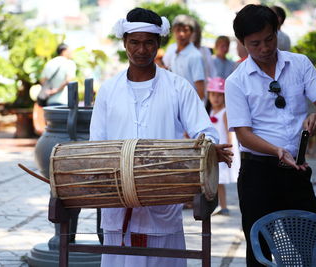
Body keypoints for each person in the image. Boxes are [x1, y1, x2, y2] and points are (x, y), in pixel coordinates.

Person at [89, 7, 232, 267]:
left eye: (148, 43)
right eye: (135, 42)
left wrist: (209, 149)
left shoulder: (178, 87)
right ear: (125, 43)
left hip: (163, 199)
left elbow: (205, 131)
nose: (141, 49)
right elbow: (96, 144)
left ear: (158, 44)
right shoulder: (108, 90)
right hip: (117, 204)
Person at [225, 4, 316, 266]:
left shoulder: (299, 63)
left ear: (277, 32)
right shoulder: (237, 81)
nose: (264, 48)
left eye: (269, 39)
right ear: (242, 44)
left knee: (313, 244)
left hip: (296, 170)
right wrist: (276, 150)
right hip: (257, 173)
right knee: (259, 250)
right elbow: (244, 135)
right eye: (255, 44)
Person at [207, 77, 238, 216]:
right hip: (213, 149)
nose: (216, 98)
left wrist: (230, 148)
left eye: (220, 95)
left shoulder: (225, 112)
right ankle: (217, 205)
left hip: (223, 149)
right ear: (209, 95)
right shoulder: (210, 112)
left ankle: (223, 206)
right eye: (213, 94)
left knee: (220, 179)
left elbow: (229, 132)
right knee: (213, 178)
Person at [162, 15, 205, 100]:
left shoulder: (195, 55)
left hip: (189, 105)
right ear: (173, 31)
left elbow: (201, 91)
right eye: (178, 30)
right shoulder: (173, 51)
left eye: (185, 30)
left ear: (192, 33)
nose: (181, 34)